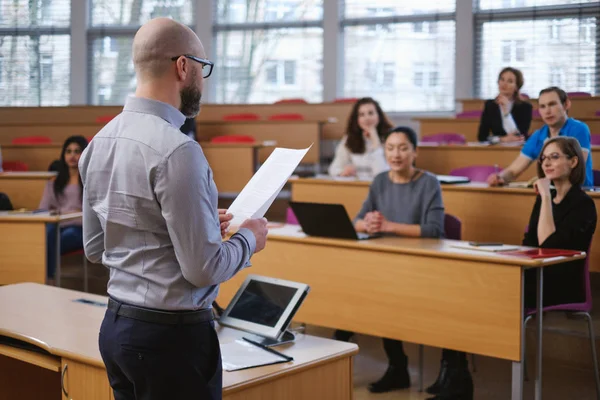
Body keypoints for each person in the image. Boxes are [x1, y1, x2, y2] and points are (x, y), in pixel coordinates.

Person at [79, 18, 268, 400]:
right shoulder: (178, 151)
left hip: (116, 327)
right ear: (184, 67)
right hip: (171, 339)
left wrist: (191, 225)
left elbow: (96, 248)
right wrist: (250, 238)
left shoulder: (99, 142)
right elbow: (203, 269)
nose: (203, 79)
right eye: (203, 68)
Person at [336, 126, 447, 394]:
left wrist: (389, 225)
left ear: (415, 152)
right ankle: (390, 364)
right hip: (386, 262)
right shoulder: (381, 181)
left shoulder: (428, 182)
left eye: (403, 148)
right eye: (390, 148)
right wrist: (369, 223)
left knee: (384, 293)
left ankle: (396, 366)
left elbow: (434, 229)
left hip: (421, 264)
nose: (396, 154)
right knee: (357, 290)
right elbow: (357, 221)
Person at [523, 136, 596, 307]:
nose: (546, 163)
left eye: (554, 157)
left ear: (573, 162)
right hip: (539, 274)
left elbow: (549, 248)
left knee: (505, 288)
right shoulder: (543, 199)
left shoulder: (583, 204)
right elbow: (529, 242)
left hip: (564, 282)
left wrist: (547, 196)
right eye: (543, 158)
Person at [487, 87, 593, 187]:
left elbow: (575, 168)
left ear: (566, 105)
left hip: (580, 193)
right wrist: (501, 177)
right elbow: (514, 170)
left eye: (552, 104)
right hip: (550, 193)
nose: (547, 111)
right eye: (542, 106)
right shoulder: (538, 135)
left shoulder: (579, 129)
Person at [38, 135, 88, 283]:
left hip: (80, 230)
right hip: (56, 227)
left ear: (84, 153)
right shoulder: (54, 182)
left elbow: (91, 216)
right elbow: (42, 210)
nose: (72, 155)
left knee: (55, 238)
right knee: (49, 233)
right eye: (68, 151)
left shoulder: (89, 181)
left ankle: (49, 279)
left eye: (77, 151)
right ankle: (50, 278)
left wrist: (67, 215)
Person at [328, 97, 392, 179]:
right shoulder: (349, 138)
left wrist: (375, 140)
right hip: (356, 186)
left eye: (371, 113)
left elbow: (381, 174)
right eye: (362, 115)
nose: (367, 118)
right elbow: (333, 168)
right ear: (357, 119)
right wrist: (343, 172)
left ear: (378, 116)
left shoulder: (390, 138)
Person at [477, 67, 533, 143]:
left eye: (510, 81)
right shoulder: (490, 105)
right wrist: (501, 139)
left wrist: (506, 113)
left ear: (516, 87)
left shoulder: (525, 107)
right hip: (496, 149)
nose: (504, 84)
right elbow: (481, 137)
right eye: (502, 79)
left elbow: (519, 136)